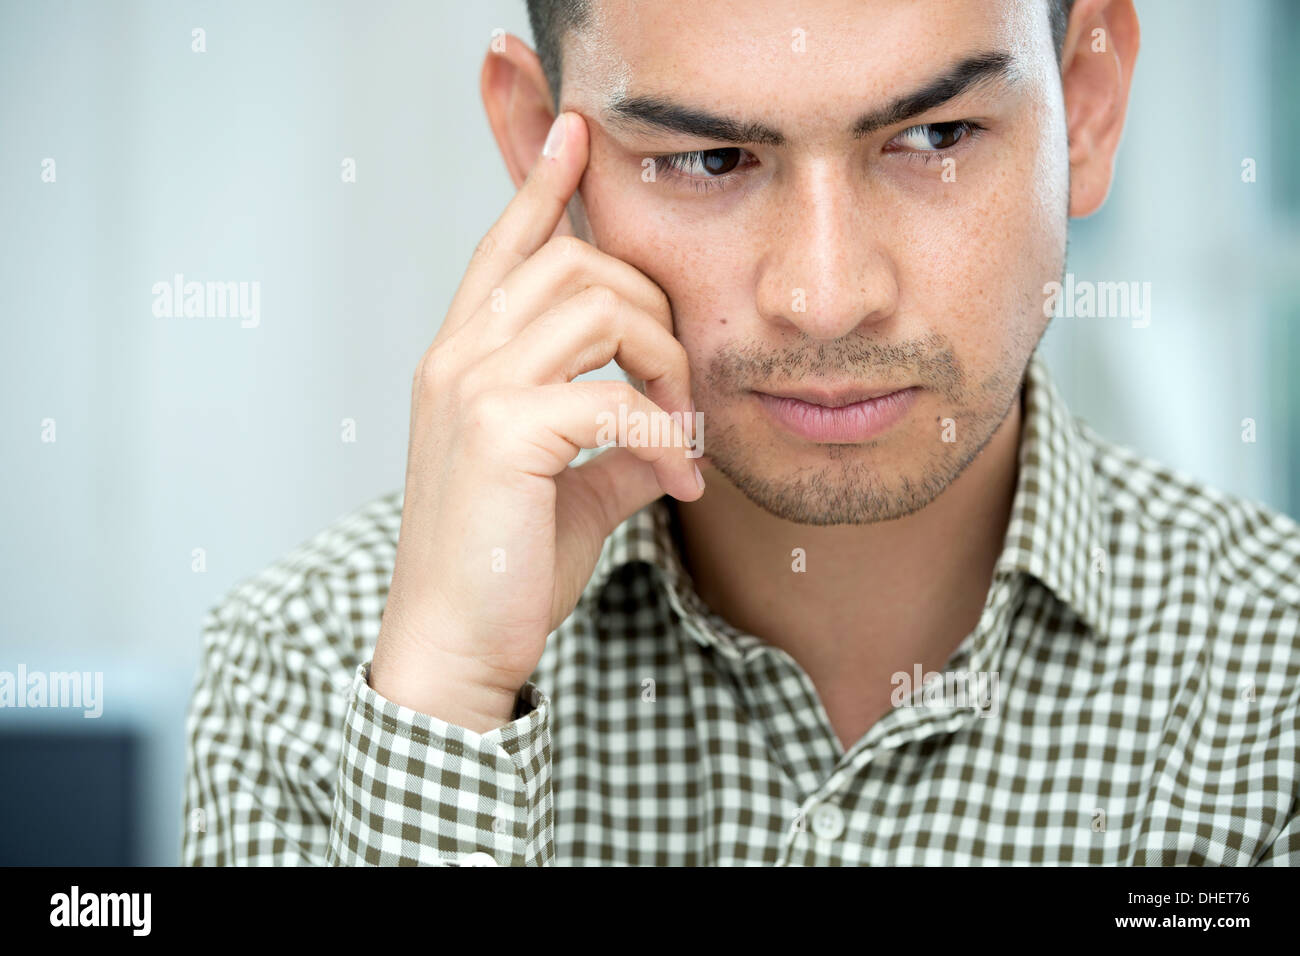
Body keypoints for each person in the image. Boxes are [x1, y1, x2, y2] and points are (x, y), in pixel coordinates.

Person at [182, 0, 1300, 865]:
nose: (824, 296)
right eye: (710, 159)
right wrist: (444, 707)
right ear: (540, 147)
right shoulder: (306, 671)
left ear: (1089, 106)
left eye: (935, 134)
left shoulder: (1274, 687)